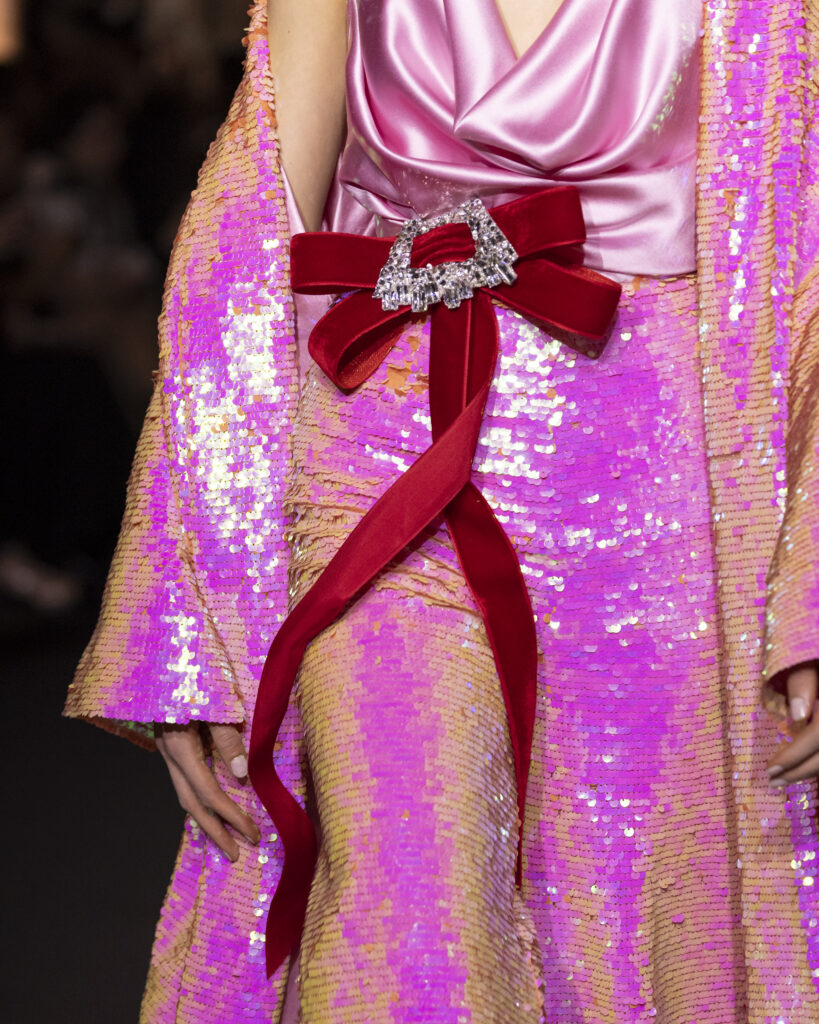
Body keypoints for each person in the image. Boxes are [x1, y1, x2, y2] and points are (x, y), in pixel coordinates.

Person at [65, 1, 819, 1020]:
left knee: (635, 911)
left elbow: (808, 254)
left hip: (663, 506)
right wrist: (190, 617)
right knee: (402, 900)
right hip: (377, 461)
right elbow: (244, 235)